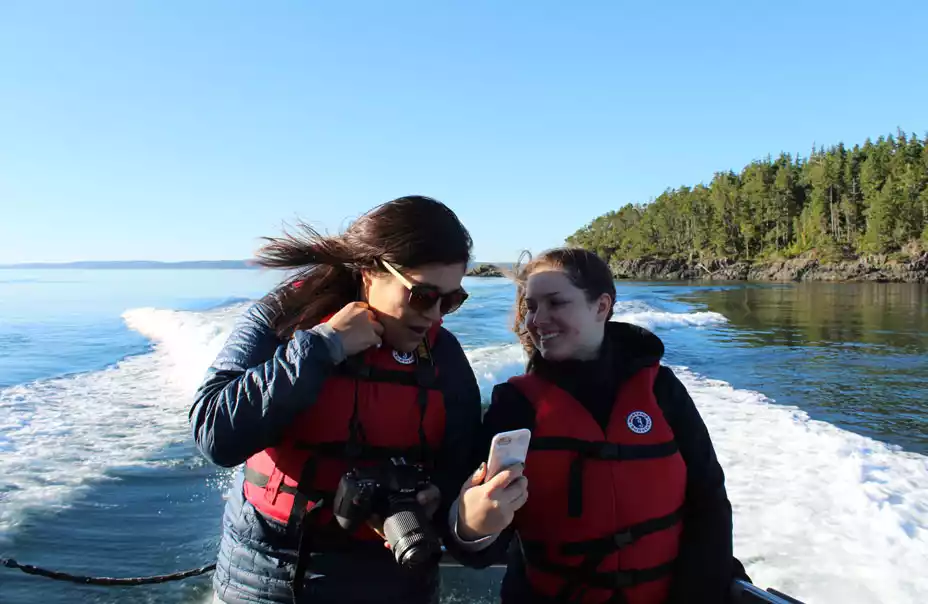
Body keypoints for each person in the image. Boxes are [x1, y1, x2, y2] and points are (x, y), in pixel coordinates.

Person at [189, 195, 527, 604]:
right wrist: (323, 346)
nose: (436, 315)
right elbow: (214, 433)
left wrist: (448, 501)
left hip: (397, 581)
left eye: (451, 300)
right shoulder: (283, 318)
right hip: (269, 574)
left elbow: (459, 470)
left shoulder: (444, 359)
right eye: (422, 296)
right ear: (370, 270)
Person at [454, 247, 743, 604]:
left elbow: (709, 501)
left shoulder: (661, 390)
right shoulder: (514, 406)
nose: (537, 319)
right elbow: (478, 547)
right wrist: (472, 526)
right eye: (531, 306)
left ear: (601, 307)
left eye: (556, 303)